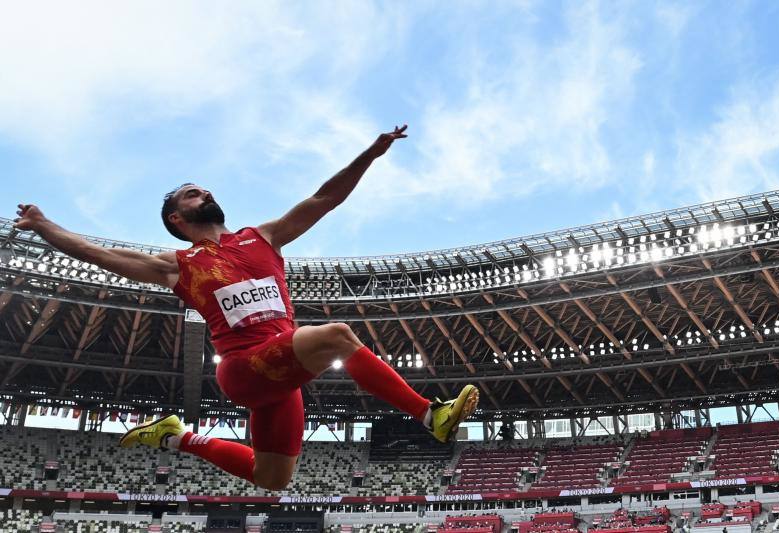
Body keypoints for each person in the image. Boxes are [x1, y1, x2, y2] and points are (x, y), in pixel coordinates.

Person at [14, 125, 479, 490]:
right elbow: (95, 252)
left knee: (272, 478)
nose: (205, 194)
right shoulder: (176, 265)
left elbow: (324, 199)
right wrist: (43, 224)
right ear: (177, 218)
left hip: (281, 376)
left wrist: (369, 156)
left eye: (205, 190)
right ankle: (428, 415)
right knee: (336, 335)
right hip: (242, 367)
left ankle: (178, 436)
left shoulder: (263, 237)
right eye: (192, 194)